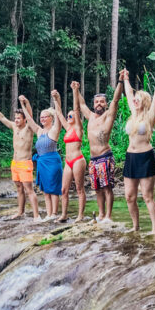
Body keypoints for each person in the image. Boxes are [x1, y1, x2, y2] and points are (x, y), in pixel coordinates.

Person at [121, 67, 155, 233]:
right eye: (135, 98)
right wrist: (126, 78)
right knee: (129, 196)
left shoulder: (150, 116)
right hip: (131, 158)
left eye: (139, 98)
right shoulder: (133, 114)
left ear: (145, 101)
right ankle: (136, 226)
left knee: (147, 197)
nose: (135, 100)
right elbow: (128, 93)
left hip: (146, 157)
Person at [78, 79, 123, 222]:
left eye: (102, 102)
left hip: (105, 156)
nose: (99, 104)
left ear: (106, 104)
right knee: (97, 189)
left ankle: (108, 216)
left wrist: (121, 81)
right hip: (93, 159)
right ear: (93, 104)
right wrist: (76, 90)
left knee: (107, 187)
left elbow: (115, 100)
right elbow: (81, 104)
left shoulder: (108, 116)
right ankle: (101, 214)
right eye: (96, 102)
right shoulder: (90, 116)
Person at [0, 99, 40, 220]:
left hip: (25, 163)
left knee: (29, 190)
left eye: (19, 118)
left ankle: (36, 215)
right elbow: (2, 118)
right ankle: (20, 212)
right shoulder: (14, 126)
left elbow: (30, 114)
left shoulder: (28, 127)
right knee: (19, 189)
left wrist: (26, 102)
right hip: (15, 163)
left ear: (24, 119)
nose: (16, 120)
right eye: (15, 117)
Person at [18, 92, 62, 220]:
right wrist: (23, 104)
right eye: (41, 117)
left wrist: (56, 99)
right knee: (45, 190)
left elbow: (59, 115)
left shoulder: (54, 130)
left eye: (45, 117)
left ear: (51, 118)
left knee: (53, 188)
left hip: (52, 162)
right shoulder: (39, 131)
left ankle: (54, 214)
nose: (42, 119)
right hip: (42, 163)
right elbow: (29, 120)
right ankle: (48, 214)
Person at [53, 81, 87, 222]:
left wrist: (74, 91)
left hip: (78, 159)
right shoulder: (68, 128)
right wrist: (56, 99)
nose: (69, 117)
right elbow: (59, 113)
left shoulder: (78, 128)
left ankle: (80, 215)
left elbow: (77, 109)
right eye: (68, 116)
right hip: (68, 162)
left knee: (79, 189)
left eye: (71, 116)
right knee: (63, 190)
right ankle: (64, 215)